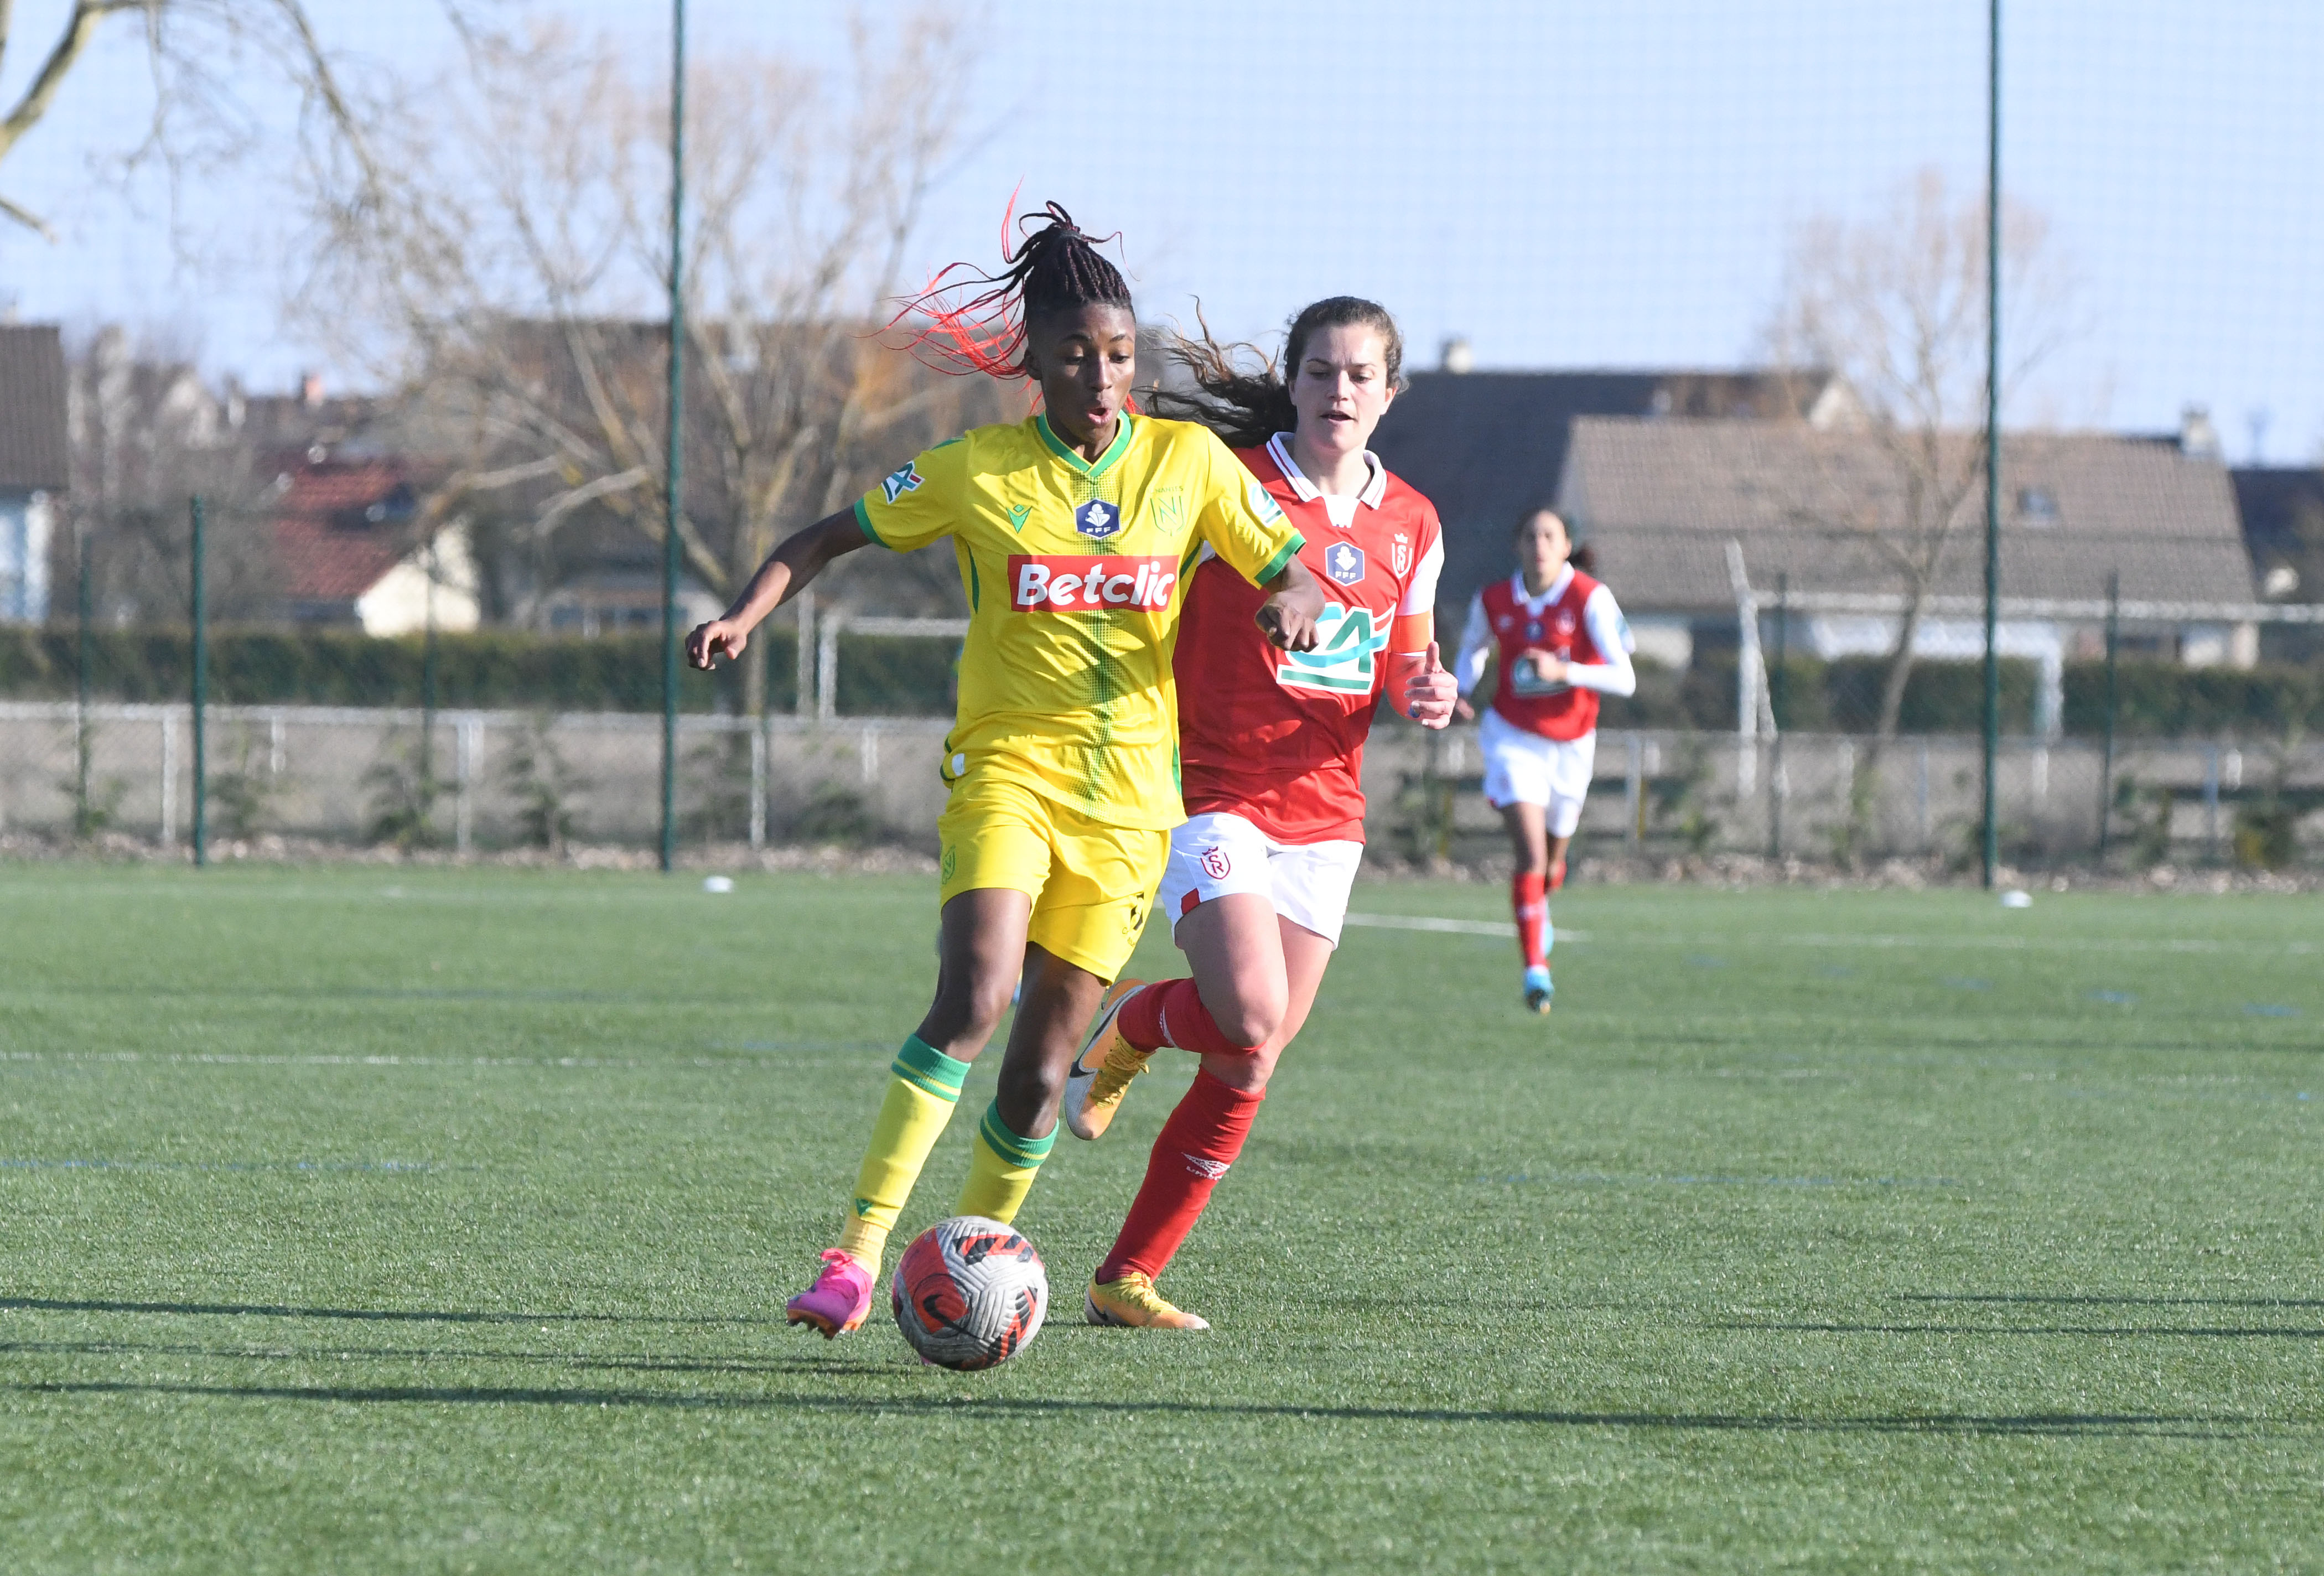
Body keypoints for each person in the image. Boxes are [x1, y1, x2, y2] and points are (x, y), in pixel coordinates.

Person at [683, 204, 1323, 1338]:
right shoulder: (977, 472)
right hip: (1007, 775)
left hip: (1132, 809)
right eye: (1078, 354)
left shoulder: (1187, 466)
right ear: (1031, 360)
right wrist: (744, 612)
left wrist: (1290, 603)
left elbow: (1296, 571)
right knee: (974, 995)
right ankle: (856, 1254)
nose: (1103, 375)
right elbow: (823, 537)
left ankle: (968, 1269)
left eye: (1121, 354)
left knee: (1036, 1074)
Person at [1059, 297, 1456, 1330]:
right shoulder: (1225, 482)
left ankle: (1123, 1277)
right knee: (1246, 1010)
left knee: (1250, 1056)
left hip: (1328, 808)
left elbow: (1407, 658)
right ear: (1293, 379)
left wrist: (1428, 688)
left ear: (1390, 393)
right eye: (1321, 371)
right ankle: (1133, 1021)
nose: (1339, 391)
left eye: (1360, 375)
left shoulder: (1411, 520)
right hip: (1210, 788)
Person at [1451, 509, 1633, 1013]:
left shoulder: (1589, 598)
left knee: (1552, 863)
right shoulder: (1494, 600)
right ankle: (1536, 969)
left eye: (1550, 536)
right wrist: (1462, 689)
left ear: (1566, 544)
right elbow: (1472, 649)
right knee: (1531, 856)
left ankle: (1543, 898)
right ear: (1518, 545)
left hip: (1573, 742)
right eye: (1530, 535)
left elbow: (1626, 678)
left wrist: (1564, 669)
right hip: (1512, 737)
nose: (1539, 544)